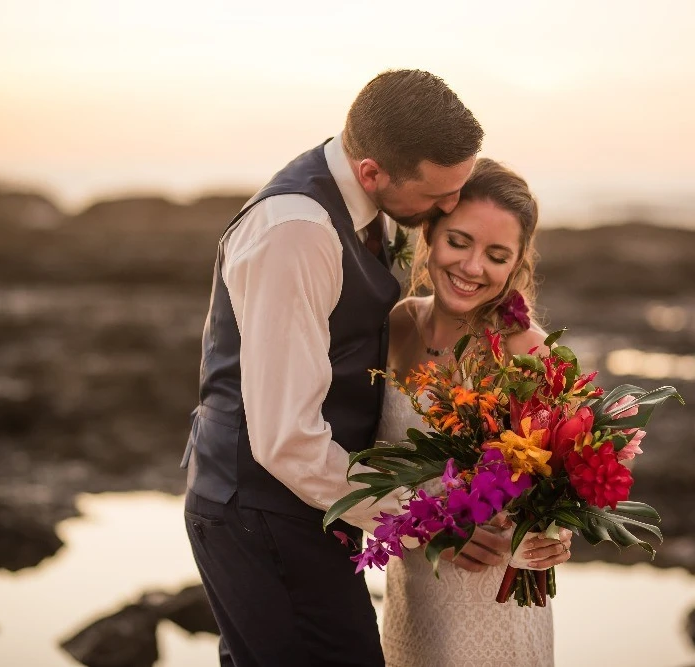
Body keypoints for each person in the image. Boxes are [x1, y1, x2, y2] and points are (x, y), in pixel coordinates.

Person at [180, 70, 497, 667]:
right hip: (261, 509)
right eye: (438, 194)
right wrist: (428, 521)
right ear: (372, 170)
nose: (450, 207)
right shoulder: (296, 233)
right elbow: (286, 440)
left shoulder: (364, 204)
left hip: (304, 507)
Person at [378, 159, 573, 666]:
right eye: (459, 241)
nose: (471, 268)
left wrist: (558, 533)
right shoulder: (398, 325)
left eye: (496, 254)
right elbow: (370, 466)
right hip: (411, 601)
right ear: (429, 235)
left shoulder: (528, 352)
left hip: (493, 609)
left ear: (516, 264)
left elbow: (567, 474)